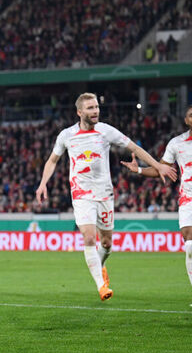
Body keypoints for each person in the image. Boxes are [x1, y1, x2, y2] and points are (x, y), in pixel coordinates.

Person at [36, 93, 176, 301]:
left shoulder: (106, 131)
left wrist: (158, 166)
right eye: (90, 108)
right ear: (79, 112)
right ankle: (101, 286)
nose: (95, 111)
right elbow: (52, 161)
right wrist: (42, 183)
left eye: (96, 107)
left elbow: (134, 148)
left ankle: (100, 265)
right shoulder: (66, 135)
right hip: (81, 193)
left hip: (104, 193)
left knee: (107, 243)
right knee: (89, 237)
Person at [121, 104, 192, 294]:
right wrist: (139, 170)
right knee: (190, 243)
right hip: (188, 197)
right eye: (191, 115)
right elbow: (161, 169)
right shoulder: (177, 143)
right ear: (186, 120)